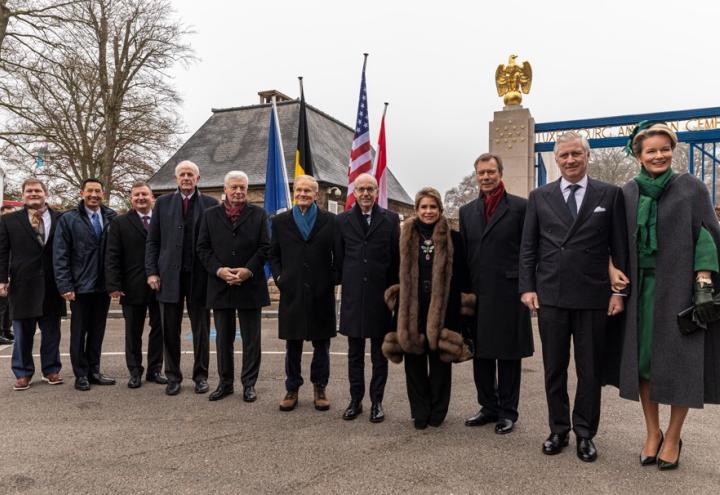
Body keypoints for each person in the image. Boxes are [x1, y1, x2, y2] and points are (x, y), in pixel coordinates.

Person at [615, 122, 720, 470]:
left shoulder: (692, 188)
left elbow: (706, 235)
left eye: (664, 149)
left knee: (680, 366)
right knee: (644, 364)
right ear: (638, 155)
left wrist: (703, 282)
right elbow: (614, 240)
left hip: (679, 289)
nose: (659, 155)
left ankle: (673, 436)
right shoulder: (628, 192)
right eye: (651, 150)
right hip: (641, 292)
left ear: (672, 151)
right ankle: (652, 432)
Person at [519, 131, 628, 462]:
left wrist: (617, 292)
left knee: (589, 370)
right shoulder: (540, 196)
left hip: (594, 295)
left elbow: (619, 246)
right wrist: (527, 287)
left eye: (575, 154)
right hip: (551, 294)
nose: (570, 160)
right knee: (554, 368)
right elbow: (528, 247)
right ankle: (557, 429)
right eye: (564, 155)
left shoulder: (610, 194)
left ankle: (584, 433)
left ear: (587, 156)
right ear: (556, 159)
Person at [382, 187, 468, 429]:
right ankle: (419, 412)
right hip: (412, 308)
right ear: (416, 210)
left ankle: (438, 412)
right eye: (423, 207)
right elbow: (392, 273)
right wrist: (395, 300)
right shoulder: (404, 238)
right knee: (415, 363)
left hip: (444, 308)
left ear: (440, 210)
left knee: (441, 363)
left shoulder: (455, 238)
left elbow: (463, 277)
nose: (428, 211)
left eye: (432, 207)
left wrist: (460, 311)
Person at [460, 153, 533, 435]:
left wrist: (527, 287)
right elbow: (466, 254)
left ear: (500, 173)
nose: (486, 177)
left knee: (509, 356)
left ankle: (508, 411)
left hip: (510, 293)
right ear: (476, 176)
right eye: (481, 173)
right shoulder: (467, 212)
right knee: (482, 355)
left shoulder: (520, 208)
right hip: (478, 294)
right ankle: (488, 406)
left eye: (491, 172)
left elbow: (528, 251)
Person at [145, 160, 218, 396]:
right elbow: (153, 241)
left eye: (190, 174)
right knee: (169, 329)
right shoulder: (163, 203)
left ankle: (201, 376)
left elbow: (214, 243)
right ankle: (173, 376)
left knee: (201, 329)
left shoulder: (210, 204)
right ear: (176, 179)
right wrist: (152, 272)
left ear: (198, 178)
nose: (186, 178)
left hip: (199, 276)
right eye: (182, 174)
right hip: (168, 277)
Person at [196, 171, 269, 402]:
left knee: (251, 339)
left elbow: (265, 247)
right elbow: (202, 248)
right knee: (223, 338)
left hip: (250, 285)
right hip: (220, 285)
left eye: (242, 188)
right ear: (225, 189)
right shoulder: (209, 216)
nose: (238, 191)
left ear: (247, 190)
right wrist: (219, 270)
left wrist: (248, 270)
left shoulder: (259, 214)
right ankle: (225, 383)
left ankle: (249, 384)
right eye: (234, 187)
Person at [335, 173, 400, 423]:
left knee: (378, 355)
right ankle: (355, 400)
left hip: (380, 298)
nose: (365, 194)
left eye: (370, 189)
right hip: (353, 297)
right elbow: (341, 258)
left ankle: (377, 402)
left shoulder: (390, 219)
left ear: (376, 192)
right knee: (354, 354)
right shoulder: (342, 221)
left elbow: (395, 259)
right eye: (361, 189)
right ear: (355, 191)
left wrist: (393, 294)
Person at [270, 175, 337, 412]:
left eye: (308, 191)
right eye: (299, 190)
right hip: (292, 291)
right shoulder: (280, 221)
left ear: (316, 194)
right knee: (293, 344)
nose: (303, 194)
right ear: (294, 192)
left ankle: (320, 388)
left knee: (322, 345)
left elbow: (338, 255)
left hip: (321, 292)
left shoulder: (330, 221)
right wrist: (280, 278)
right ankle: (292, 388)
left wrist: (331, 280)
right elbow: (273, 254)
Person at [0, 179, 65, 390]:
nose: (34, 193)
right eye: (29, 191)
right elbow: (2, 253)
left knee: (52, 332)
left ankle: (51, 370)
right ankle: (22, 373)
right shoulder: (9, 221)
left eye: (38, 190)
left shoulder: (60, 218)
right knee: (22, 334)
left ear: (45, 193)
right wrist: (2, 279)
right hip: (22, 284)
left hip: (52, 284)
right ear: (23, 195)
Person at [54, 178, 118, 391]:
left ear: (103, 193)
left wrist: (114, 282)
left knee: (97, 331)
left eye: (98, 191)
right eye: (89, 191)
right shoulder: (68, 219)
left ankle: (94, 370)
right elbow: (60, 254)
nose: (94, 195)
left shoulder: (111, 217)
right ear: (81, 193)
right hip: (79, 286)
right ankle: (81, 373)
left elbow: (116, 253)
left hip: (103, 286)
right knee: (79, 332)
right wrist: (65, 285)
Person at [105, 182, 166, 389]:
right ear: (131, 199)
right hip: (131, 286)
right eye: (136, 195)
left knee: (159, 330)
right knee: (133, 332)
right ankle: (134, 371)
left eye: (145, 195)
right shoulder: (120, 223)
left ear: (152, 198)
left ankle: (155, 370)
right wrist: (113, 284)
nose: (141, 198)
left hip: (160, 286)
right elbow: (112, 255)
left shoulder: (162, 220)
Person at [0, 205, 16, 345]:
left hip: (13, 274)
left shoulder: (15, 233)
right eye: (6, 215)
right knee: (1, 305)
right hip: (2, 275)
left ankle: (6, 330)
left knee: (8, 305)